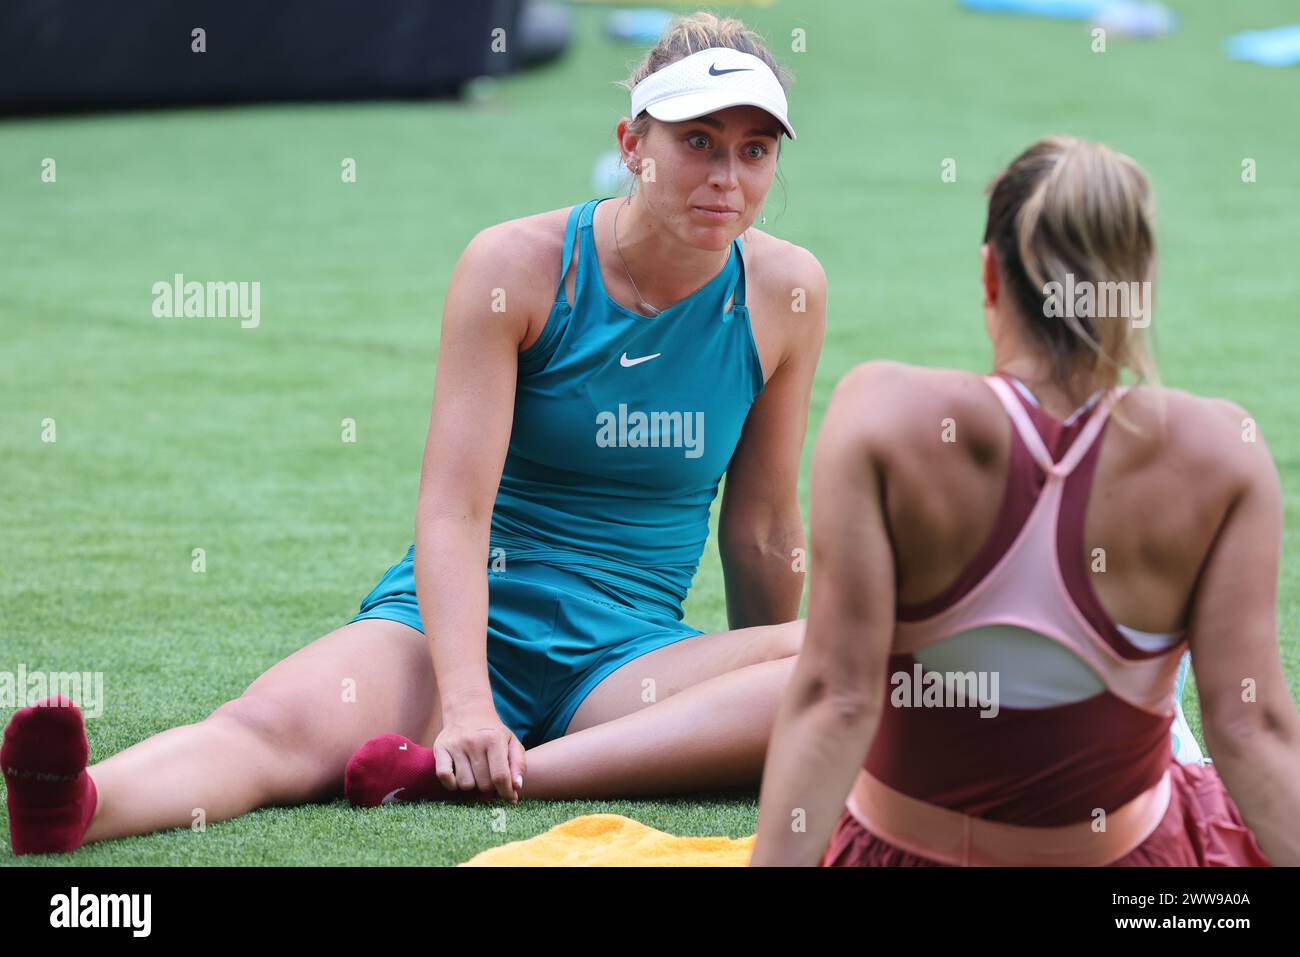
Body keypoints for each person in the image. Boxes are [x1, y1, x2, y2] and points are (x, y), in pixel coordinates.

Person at [3, 13, 826, 855]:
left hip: (627, 659)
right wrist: (467, 703)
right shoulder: (517, 266)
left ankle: (505, 771)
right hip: (456, 625)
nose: (727, 176)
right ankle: (77, 803)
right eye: (698, 142)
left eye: (755, 150)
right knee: (268, 726)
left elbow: (762, 528)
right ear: (631, 144)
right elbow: (453, 512)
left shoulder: (787, 291)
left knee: (841, 657)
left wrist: (768, 695)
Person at [750, 136, 1298, 867]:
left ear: (989, 277)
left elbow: (834, 699)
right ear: (1137, 290)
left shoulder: (883, 418)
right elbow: (1250, 729)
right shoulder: (1219, 453)